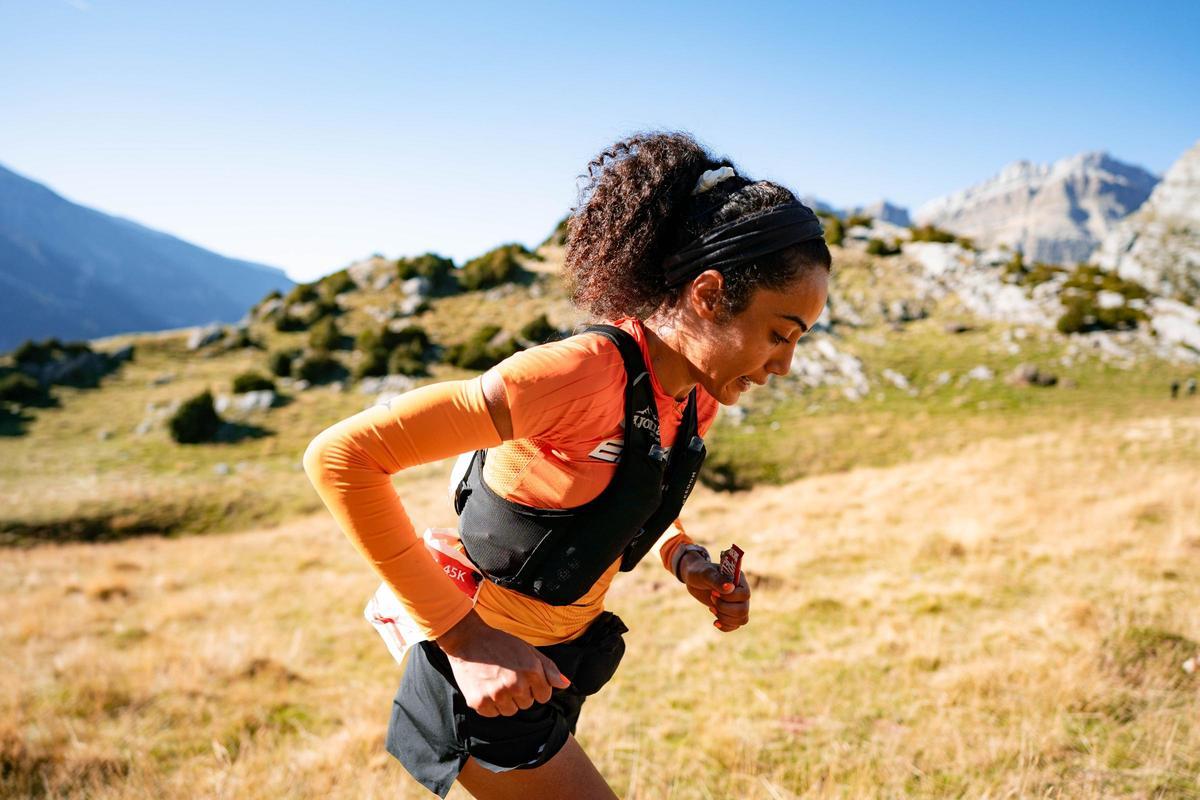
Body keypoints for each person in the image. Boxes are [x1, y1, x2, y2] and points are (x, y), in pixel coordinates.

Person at [303, 130, 831, 799]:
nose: (784, 364)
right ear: (707, 293)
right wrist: (465, 640)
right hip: (479, 668)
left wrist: (685, 561)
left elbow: (622, 492)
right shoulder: (575, 375)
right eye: (779, 334)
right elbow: (341, 457)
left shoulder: (693, 399)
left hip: (550, 666)